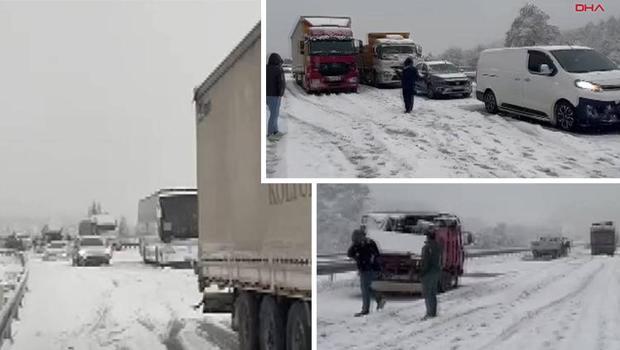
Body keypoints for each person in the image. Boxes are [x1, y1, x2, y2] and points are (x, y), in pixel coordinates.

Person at [347, 229, 385, 317]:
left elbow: (350, 253)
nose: (355, 240)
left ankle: (365, 310)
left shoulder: (365, 244)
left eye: (355, 238)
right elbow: (349, 253)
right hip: (369, 269)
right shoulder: (365, 243)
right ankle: (379, 299)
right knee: (367, 288)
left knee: (365, 289)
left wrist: (365, 260)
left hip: (368, 269)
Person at [420, 228, 442, 319]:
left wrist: (422, 272)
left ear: (428, 237)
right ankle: (433, 312)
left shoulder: (426, 247)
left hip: (428, 272)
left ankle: (429, 313)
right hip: (436, 271)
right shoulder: (438, 246)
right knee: (433, 293)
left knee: (427, 293)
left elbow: (425, 261)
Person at [266, 52, 286, 141]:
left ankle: (275, 131)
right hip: (275, 95)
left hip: (267, 95)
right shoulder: (278, 69)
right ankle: (271, 133)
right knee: (274, 114)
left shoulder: (266, 68)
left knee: (274, 114)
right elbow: (281, 83)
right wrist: (280, 94)